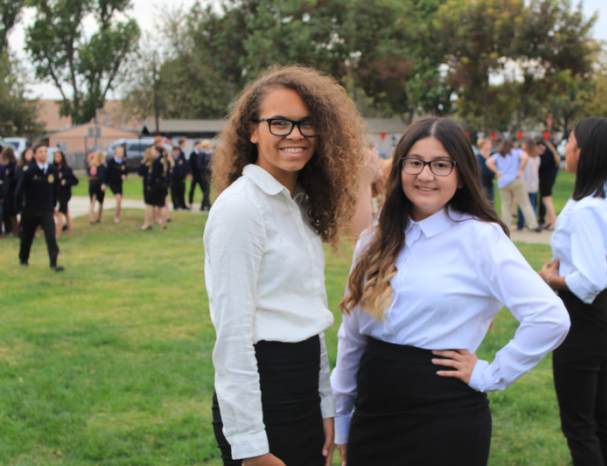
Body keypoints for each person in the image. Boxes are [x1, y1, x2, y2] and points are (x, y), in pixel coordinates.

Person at [332, 117, 570, 466]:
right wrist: (341, 417)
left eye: (441, 164)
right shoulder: (374, 238)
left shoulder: (480, 238)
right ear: (399, 169)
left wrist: (491, 373)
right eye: (415, 162)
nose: (425, 175)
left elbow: (550, 317)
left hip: (444, 418)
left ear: (461, 176)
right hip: (373, 414)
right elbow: (351, 336)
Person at [204, 65, 367, 466]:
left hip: (304, 387)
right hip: (264, 395)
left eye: (306, 124)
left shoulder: (299, 205)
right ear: (252, 130)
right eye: (279, 123)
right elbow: (232, 336)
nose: (295, 135)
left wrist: (325, 405)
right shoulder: (242, 208)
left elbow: (309, 315)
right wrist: (250, 445)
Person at [539, 117, 607, 466]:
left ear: (584, 153)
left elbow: (589, 280)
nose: (565, 147)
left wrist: (554, 279)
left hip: (586, 317)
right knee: (599, 416)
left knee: (579, 424)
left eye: (570, 142)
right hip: (605, 314)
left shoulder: (587, 210)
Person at [15, 143, 64, 272]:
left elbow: (56, 188)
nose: (44, 154)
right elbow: (19, 191)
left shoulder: (52, 170)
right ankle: (23, 259)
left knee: (50, 236)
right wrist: (20, 209)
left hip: (46, 210)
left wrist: (55, 203)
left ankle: (54, 264)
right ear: (35, 155)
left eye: (45, 152)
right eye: (41, 152)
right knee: (27, 236)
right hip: (30, 210)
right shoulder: (29, 171)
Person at [486, 139, 540, 231]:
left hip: (503, 182)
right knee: (525, 203)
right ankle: (533, 225)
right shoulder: (516, 152)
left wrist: (497, 171)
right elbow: (525, 157)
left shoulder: (498, 155)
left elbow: (488, 162)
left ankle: (506, 226)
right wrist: (521, 169)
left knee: (506, 205)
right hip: (516, 180)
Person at [53, 150, 79, 238]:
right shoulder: (52, 168)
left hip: (64, 193)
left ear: (62, 157)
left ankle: (57, 234)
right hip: (55, 193)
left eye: (59, 156)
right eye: (55, 156)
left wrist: (66, 182)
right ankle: (70, 231)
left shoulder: (67, 169)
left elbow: (75, 181)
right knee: (66, 212)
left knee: (60, 213)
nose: (57, 158)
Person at [517, 139, 541, 230]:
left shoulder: (525, 157)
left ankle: (521, 224)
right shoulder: (537, 157)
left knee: (523, 205)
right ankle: (532, 223)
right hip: (534, 183)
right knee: (532, 205)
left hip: (525, 183)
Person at [146, 145, 172, 228]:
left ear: (157, 151)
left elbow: (154, 175)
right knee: (162, 204)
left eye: (153, 150)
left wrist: (149, 184)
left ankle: (148, 223)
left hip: (156, 185)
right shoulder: (166, 160)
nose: (152, 152)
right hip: (164, 185)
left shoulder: (157, 161)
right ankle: (163, 223)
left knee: (150, 203)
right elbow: (168, 173)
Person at [537, 138, 560, 229]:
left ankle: (554, 222)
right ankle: (550, 221)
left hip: (545, 181)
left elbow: (541, 167)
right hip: (549, 180)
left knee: (547, 200)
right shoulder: (552, 154)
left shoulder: (545, 155)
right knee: (547, 200)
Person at [104, 144, 128, 223]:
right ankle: (116, 217)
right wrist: (105, 184)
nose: (121, 153)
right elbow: (107, 173)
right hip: (112, 183)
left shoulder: (123, 162)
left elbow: (125, 172)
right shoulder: (111, 161)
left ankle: (118, 216)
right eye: (119, 151)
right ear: (116, 152)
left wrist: (125, 176)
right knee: (118, 199)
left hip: (119, 184)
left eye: (122, 152)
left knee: (119, 200)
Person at [1, 147, 20, 236]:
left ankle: (15, 231)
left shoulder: (14, 165)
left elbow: (14, 179)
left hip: (12, 192)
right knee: (8, 212)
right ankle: (10, 230)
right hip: (7, 192)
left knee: (13, 212)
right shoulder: (6, 166)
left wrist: (7, 181)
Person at [86, 151, 106, 224]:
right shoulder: (96, 166)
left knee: (97, 202)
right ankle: (94, 218)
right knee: (95, 202)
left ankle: (96, 218)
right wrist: (103, 183)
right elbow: (103, 177)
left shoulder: (93, 166)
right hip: (96, 185)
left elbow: (91, 175)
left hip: (95, 185)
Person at [475, 137, 495, 204]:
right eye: (489, 144)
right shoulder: (478, 157)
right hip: (482, 185)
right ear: (483, 145)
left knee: (491, 204)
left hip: (490, 184)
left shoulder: (492, 155)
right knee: (484, 205)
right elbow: (483, 171)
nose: (491, 145)